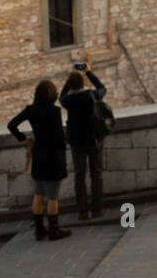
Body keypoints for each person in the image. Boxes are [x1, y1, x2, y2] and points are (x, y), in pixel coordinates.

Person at [7, 80, 71, 241]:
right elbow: (58, 136)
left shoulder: (31, 110)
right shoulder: (54, 111)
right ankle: (54, 231)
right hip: (53, 157)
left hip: (38, 156)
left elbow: (11, 124)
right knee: (53, 196)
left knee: (39, 193)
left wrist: (24, 138)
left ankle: (39, 230)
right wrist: (63, 151)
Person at [60, 62, 107, 220]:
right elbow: (102, 87)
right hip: (94, 139)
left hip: (77, 141)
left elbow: (61, 95)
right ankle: (97, 209)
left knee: (79, 175)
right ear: (82, 84)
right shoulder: (92, 96)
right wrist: (88, 73)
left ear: (71, 85)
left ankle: (83, 211)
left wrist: (70, 78)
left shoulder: (68, 101)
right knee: (96, 173)